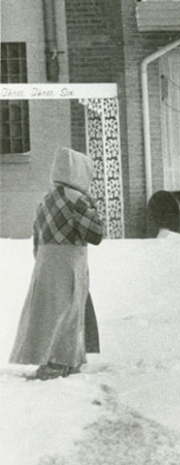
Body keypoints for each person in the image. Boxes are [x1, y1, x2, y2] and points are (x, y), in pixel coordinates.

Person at [9, 147, 105, 380]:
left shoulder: (45, 199)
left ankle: (49, 358)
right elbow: (95, 234)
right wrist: (93, 208)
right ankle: (64, 361)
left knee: (47, 312)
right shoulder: (78, 200)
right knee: (71, 311)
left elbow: (36, 236)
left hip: (45, 263)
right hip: (70, 262)